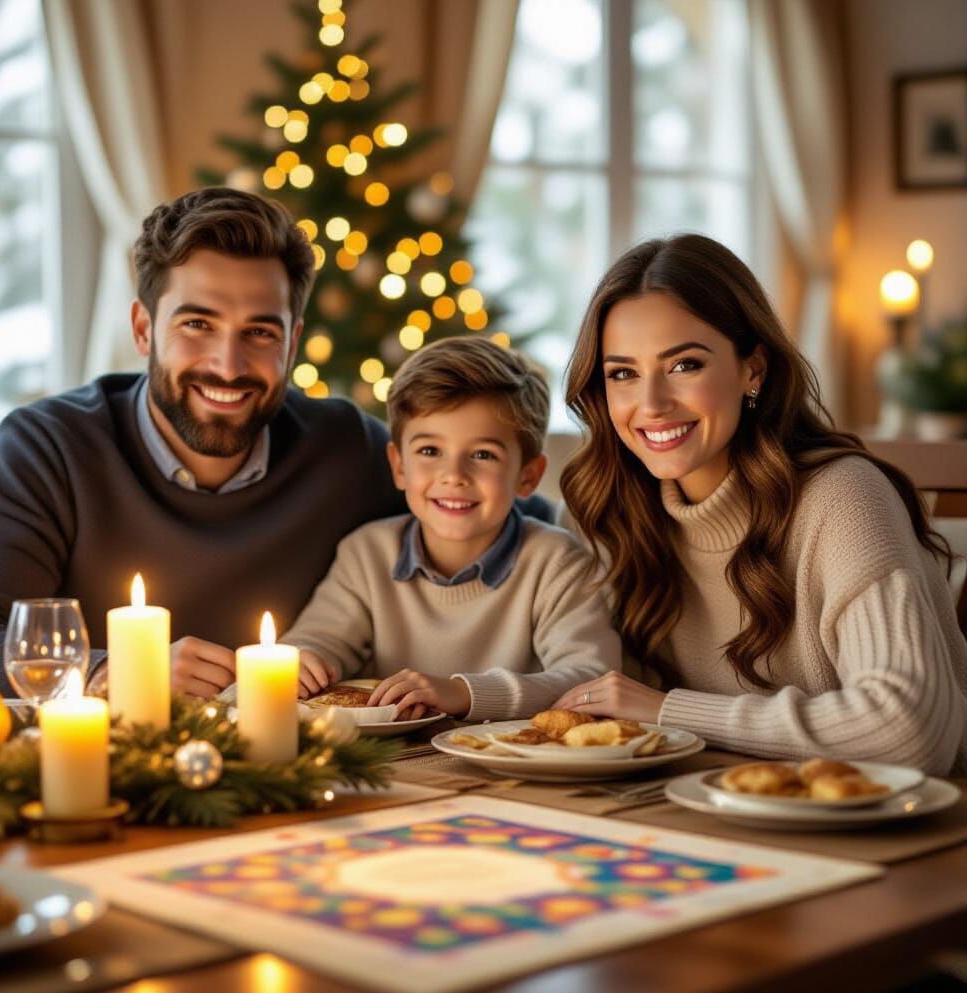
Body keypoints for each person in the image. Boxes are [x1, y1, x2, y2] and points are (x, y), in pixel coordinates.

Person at [0, 187, 407, 698]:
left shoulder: (348, 448)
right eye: (197, 324)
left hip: (301, 766)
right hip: (112, 764)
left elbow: (497, 528)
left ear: (292, 343)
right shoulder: (49, 446)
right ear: (144, 330)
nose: (227, 366)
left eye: (259, 333)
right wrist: (117, 674)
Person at [552, 234, 967, 774]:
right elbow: (580, 689)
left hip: (908, 831)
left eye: (684, 366)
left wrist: (667, 712)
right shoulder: (606, 510)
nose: (650, 405)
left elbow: (910, 731)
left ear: (753, 369)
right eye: (623, 374)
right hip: (708, 814)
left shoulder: (844, 498)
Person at [284, 336, 621, 721]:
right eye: (430, 451)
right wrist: (302, 661)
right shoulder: (367, 553)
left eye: (482, 455)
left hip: (512, 763)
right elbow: (318, 640)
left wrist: (464, 692)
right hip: (396, 763)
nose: (454, 476)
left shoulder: (557, 562)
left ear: (528, 476)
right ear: (398, 466)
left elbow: (591, 679)